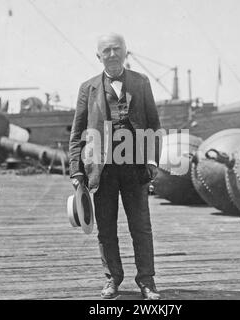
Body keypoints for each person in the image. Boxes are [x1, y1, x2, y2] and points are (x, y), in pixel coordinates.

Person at [68, 33, 162, 300]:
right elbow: (77, 134)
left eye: (116, 49)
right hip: (102, 169)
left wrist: (153, 159)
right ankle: (112, 279)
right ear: (98, 57)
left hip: (135, 167)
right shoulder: (88, 88)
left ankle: (147, 281)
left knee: (141, 226)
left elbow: (154, 125)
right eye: (106, 51)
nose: (112, 54)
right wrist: (76, 171)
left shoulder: (141, 82)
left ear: (125, 52)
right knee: (106, 227)